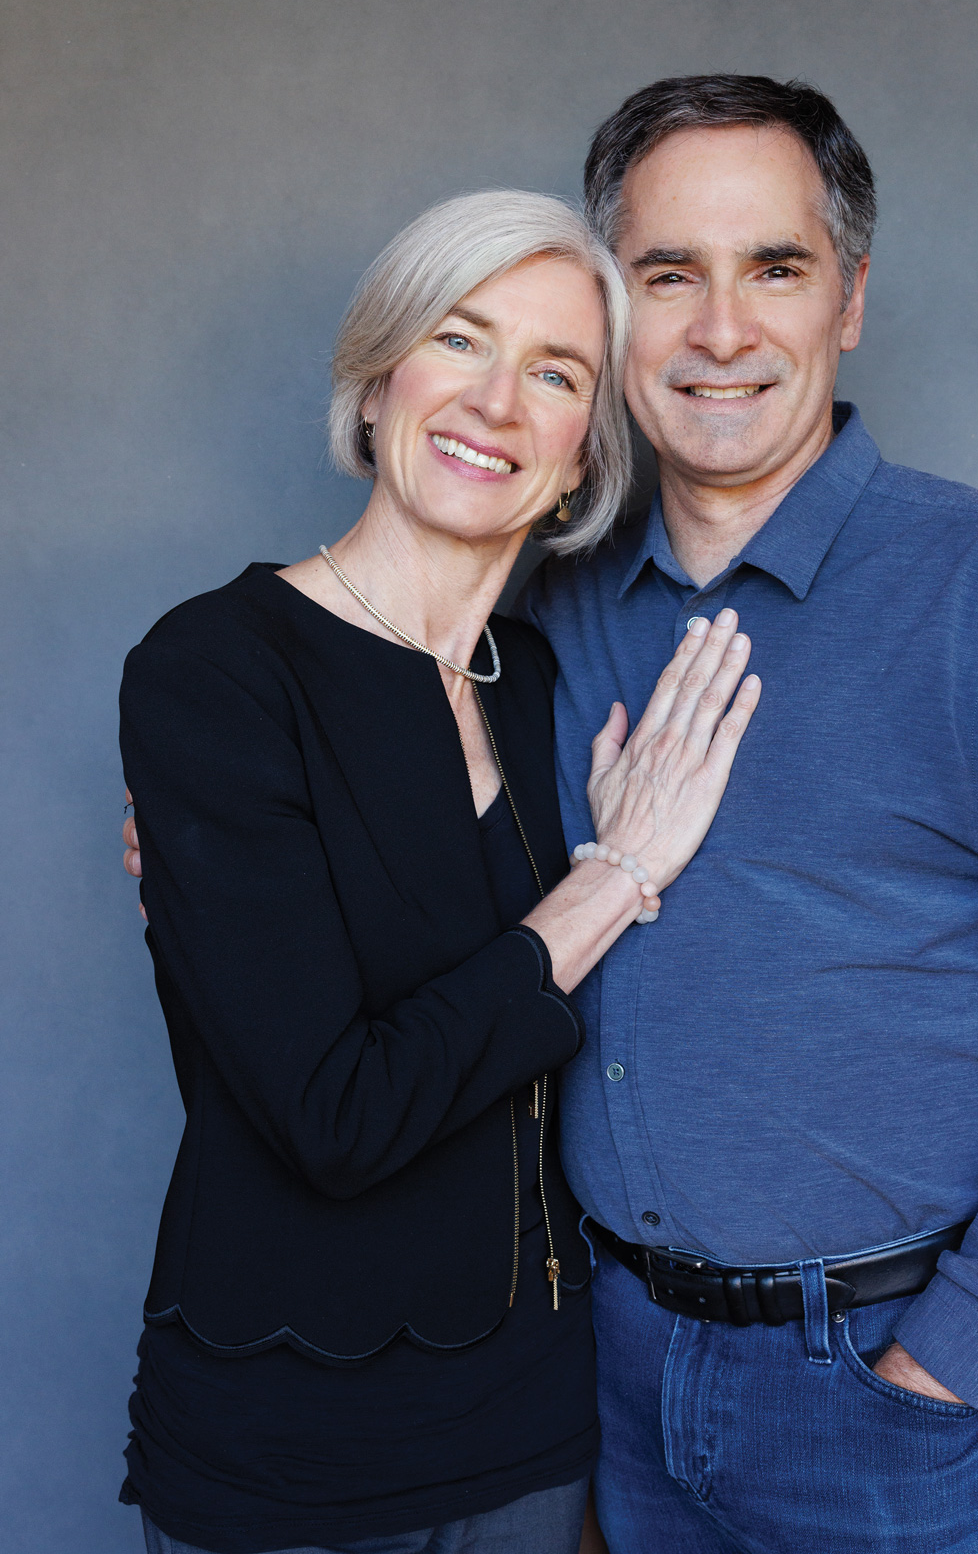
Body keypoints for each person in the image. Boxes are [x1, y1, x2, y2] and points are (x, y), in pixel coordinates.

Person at [507, 75, 978, 1552]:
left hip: (891, 1406)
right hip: (614, 1383)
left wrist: (946, 1372)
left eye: (776, 267)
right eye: (667, 275)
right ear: (610, 311)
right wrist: (223, 816)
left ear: (852, 300)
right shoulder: (554, 605)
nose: (722, 331)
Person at [116, 188, 760, 1554]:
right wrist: (613, 876)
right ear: (378, 376)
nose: (498, 404)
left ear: (585, 454)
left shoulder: (545, 686)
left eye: (556, 373)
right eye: (460, 342)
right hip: (289, 1449)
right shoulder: (217, 673)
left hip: (531, 1425)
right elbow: (337, 1114)